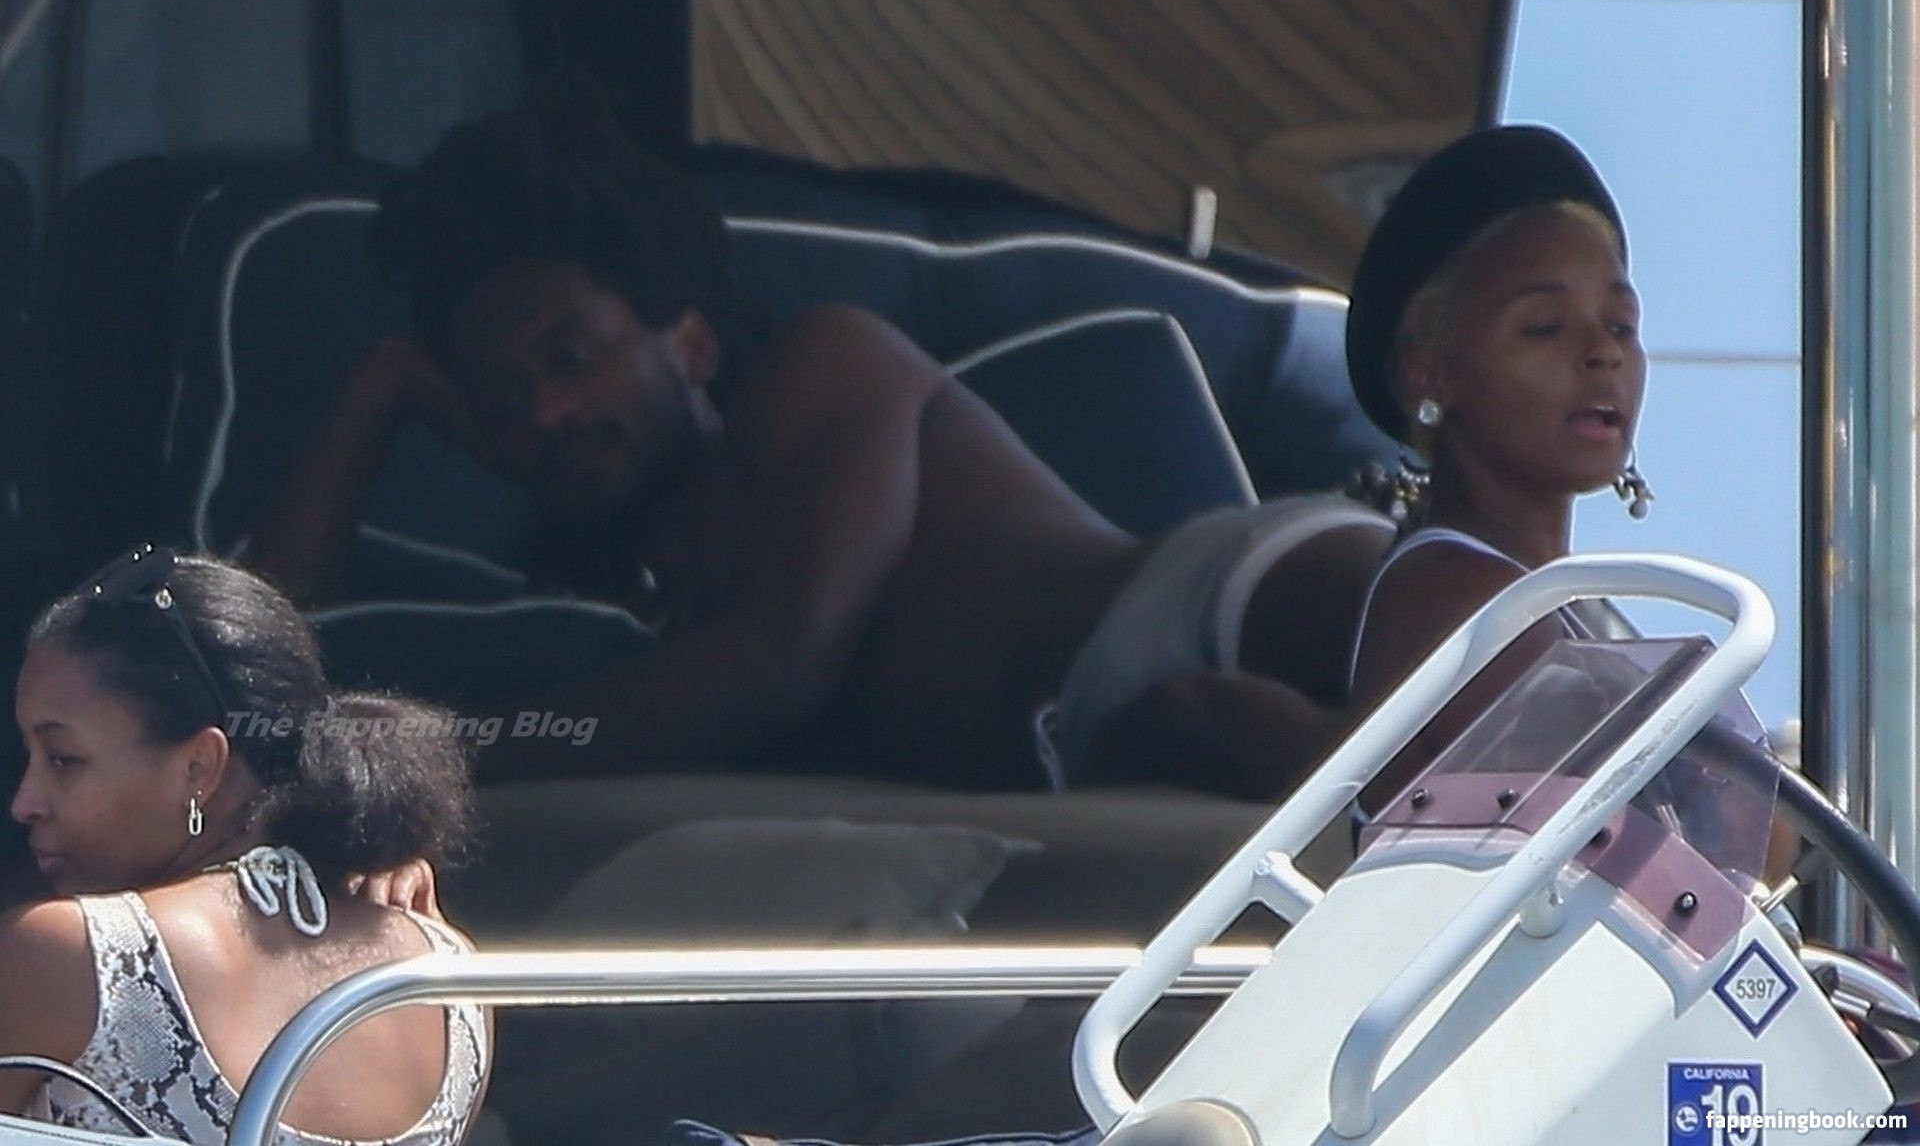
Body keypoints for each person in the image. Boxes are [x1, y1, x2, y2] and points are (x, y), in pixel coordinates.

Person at [247, 87, 1392, 797]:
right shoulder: (612, 603)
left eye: (571, 357)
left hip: (1197, 595)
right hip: (1107, 743)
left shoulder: (823, 367)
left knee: (1465, 691)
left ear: (689, 341)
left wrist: (427, 757)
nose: (544, 413)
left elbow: (781, 668)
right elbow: (248, 659)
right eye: (502, 401)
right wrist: (377, 394)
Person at [0, 545, 490, 1143]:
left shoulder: (64, 954)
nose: (24, 802)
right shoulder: (449, 974)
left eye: (62, 758)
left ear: (199, 768)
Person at [1340, 124, 1651, 799]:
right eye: (1545, 327)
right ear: (1430, 371)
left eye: (1621, 325)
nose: (1604, 352)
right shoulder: (1454, 593)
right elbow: (1636, 828)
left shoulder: (1547, 601)